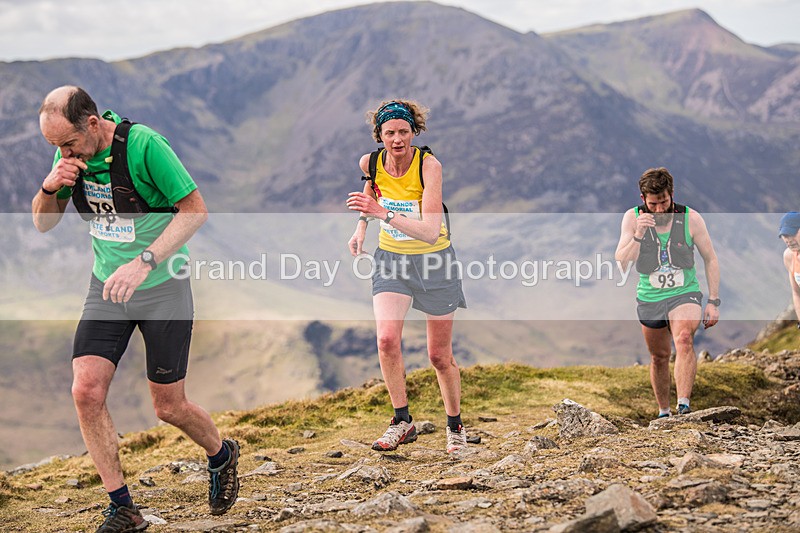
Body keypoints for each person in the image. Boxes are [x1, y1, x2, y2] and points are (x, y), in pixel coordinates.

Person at [32, 86, 239, 532]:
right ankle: (123, 508)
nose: (64, 153)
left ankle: (221, 455)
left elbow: (195, 211)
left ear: (92, 123)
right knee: (86, 391)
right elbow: (43, 223)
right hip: (108, 287)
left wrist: (144, 262)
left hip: (163, 287)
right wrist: (50, 186)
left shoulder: (145, 145)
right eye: (55, 147)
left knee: (169, 406)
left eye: (68, 144)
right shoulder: (68, 156)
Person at [346, 100, 468, 454]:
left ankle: (455, 426)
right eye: (389, 133)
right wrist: (361, 228)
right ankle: (402, 421)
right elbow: (372, 190)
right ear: (379, 135)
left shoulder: (429, 167)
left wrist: (381, 214)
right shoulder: (370, 163)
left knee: (439, 356)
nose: (397, 139)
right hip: (391, 261)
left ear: (414, 132)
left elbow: (430, 232)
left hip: (434, 262)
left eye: (403, 131)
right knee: (386, 340)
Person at [615, 167, 720, 419]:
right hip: (650, 297)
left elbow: (710, 259)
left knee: (683, 339)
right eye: (653, 204)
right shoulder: (632, 218)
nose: (660, 209)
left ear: (672, 194)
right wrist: (639, 234)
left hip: (685, 292)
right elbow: (622, 262)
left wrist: (713, 301)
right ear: (643, 199)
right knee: (659, 356)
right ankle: (664, 412)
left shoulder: (691, 218)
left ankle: (683, 407)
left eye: (664, 201)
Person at [778, 212, 800, 328]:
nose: (788, 240)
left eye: (792, 233)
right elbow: (796, 293)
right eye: (785, 235)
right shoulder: (789, 257)